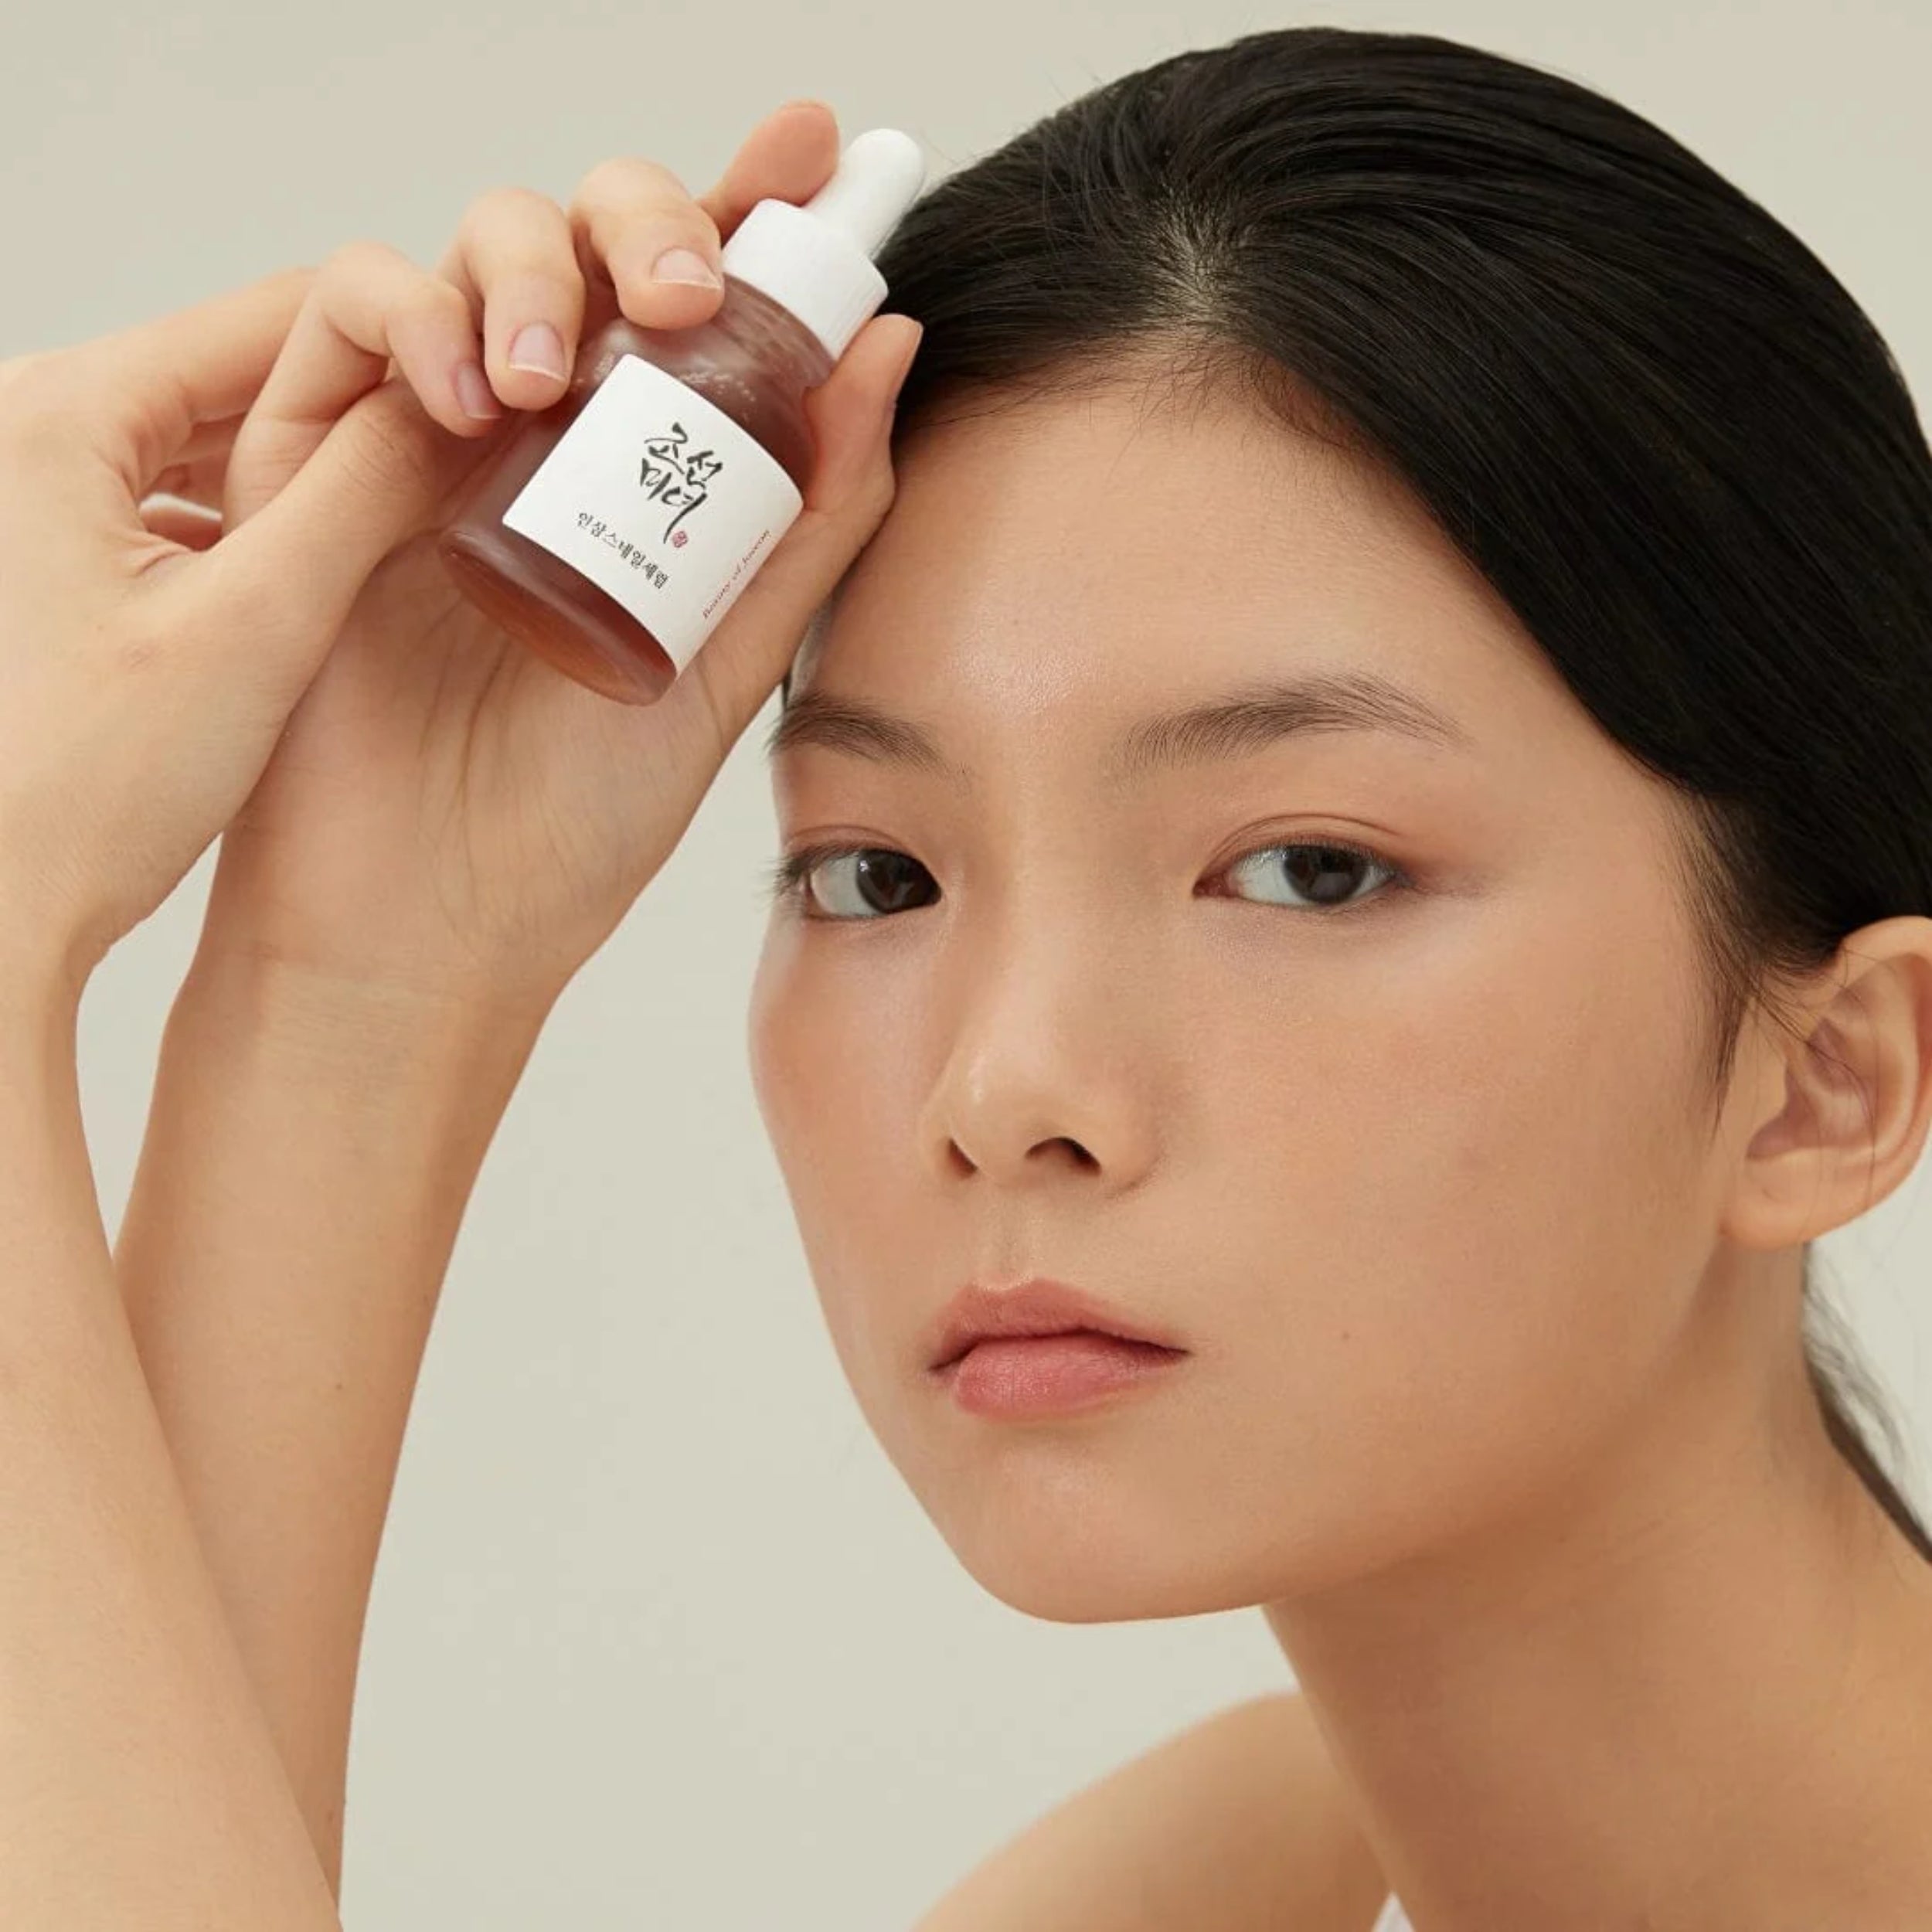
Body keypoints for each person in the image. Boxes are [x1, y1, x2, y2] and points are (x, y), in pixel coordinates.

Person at [2, 26, 1930, 1929]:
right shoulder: (1232, 1879)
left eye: (1304, 866)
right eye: (880, 869)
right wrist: (364, 962)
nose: (1005, 1086)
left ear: (1826, 1077)